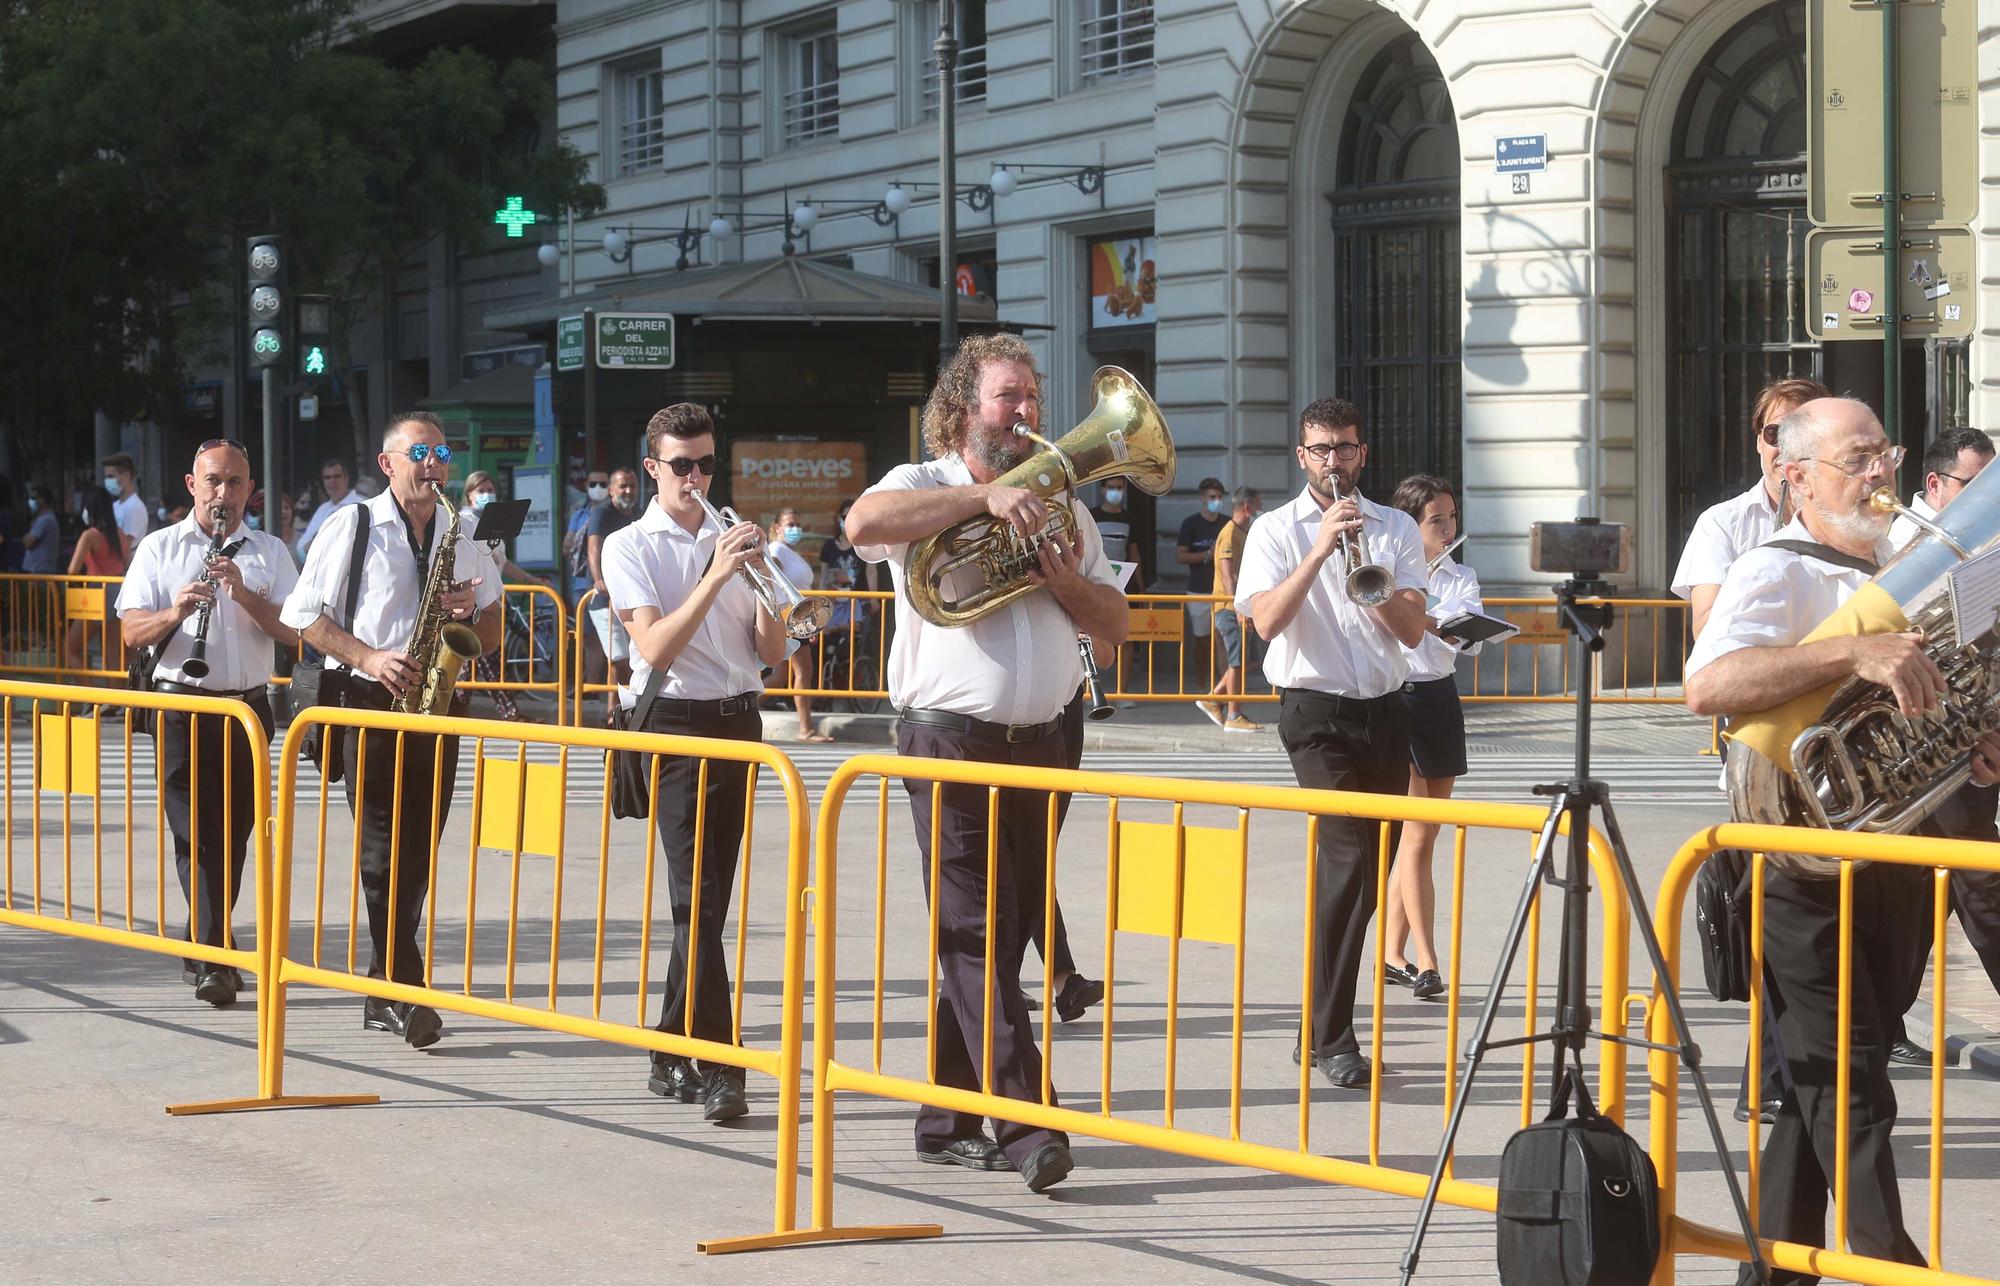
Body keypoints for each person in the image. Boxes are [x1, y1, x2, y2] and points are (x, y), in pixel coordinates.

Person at [1684, 397, 2000, 1283]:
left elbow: (1933, 706)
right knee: (1849, 1076)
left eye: (1883, 455)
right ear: (1795, 475)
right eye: (1856, 457)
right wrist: (1848, 655)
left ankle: (1773, 1270)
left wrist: (1966, 745)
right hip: (1795, 858)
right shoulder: (1771, 570)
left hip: (1892, 846)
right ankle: (1890, 1258)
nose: (1878, 474)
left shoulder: (1909, 561)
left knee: (1823, 1077)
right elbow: (1709, 686)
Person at [846, 332, 1127, 1191]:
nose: (1028, 413)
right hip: (950, 738)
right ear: (964, 407)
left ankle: (945, 1116)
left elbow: (1110, 632)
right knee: (972, 930)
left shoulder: (1061, 501)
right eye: (1010, 398)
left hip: (1044, 740)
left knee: (1000, 937)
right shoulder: (922, 482)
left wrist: (1061, 578)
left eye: (1033, 398)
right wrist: (985, 499)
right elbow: (861, 525)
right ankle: (1027, 1120)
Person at [279, 412, 501, 1050]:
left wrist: (469, 613)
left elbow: (489, 629)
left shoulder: (463, 529)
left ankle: (383, 988)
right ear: (387, 463)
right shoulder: (349, 524)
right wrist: (368, 657)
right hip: (370, 700)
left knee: (418, 847)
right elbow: (303, 618)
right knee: (382, 849)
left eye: (441, 454)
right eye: (419, 453)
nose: (432, 465)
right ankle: (406, 988)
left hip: (439, 702)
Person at [1236, 397, 1428, 1089]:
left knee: (1365, 875)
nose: (1334, 462)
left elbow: (1411, 630)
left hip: (1385, 710)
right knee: (1347, 857)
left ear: (1362, 454)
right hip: (1314, 712)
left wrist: (1369, 575)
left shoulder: (1397, 526)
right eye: (1321, 449)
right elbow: (1264, 621)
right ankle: (1335, 1038)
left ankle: (1315, 1030)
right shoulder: (1273, 531)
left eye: (1345, 448)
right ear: (1301, 456)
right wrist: (1321, 548)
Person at [605, 404, 786, 1123]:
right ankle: (722, 1063)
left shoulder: (731, 537)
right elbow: (652, 649)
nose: (696, 477)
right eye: (682, 465)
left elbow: (772, 652)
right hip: (676, 727)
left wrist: (767, 581)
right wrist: (715, 574)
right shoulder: (629, 546)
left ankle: (667, 1046)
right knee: (699, 898)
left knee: (709, 899)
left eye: (707, 463)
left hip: (738, 720)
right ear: (653, 468)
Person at [115, 440, 299, 1008]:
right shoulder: (159, 547)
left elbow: (295, 631)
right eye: (214, 481)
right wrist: (177, 610)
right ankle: (216, 956)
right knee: (194, 832)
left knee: (235, 833)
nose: (225, 493)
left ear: (250, 489)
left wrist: (242, 593)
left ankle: (206, 943)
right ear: (191, 484)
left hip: (246, 707)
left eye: (237, 482)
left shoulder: (269, 551)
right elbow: (130, 631)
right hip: (183, 705)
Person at [1886, 429, 2000, 1006]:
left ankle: (1881, 1025)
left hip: (1961, 744)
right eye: (1972, 485)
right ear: (1934, 484)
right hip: (1915, 747)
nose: (1986, 501)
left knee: (1920, 905)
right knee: (1981, 885)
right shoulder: (1903, 546)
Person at [1381, 474, 1482, 1001]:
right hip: (1400, 698)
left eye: (1451, 517)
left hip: (1439, 699)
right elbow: (1390, 627)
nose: (1447, 528)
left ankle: (1391, 953)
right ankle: (1426, 959)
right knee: (1414, 838)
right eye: (1435, 520)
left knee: (1423, 837)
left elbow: (1466, 640)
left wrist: (1437, 617)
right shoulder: (1390, 571)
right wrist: (1419, 609)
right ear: (1410, 525)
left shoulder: (1459, 574)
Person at [1672, 377, 1832, 640]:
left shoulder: (1846, 521)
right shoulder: (1720, 523)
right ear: (1759, 441)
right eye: (1775, 434)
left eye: (1803, 435)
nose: (1788, 448)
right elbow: (1705, 629)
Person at [765, 507, 832, 742]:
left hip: (799, 620)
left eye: (797, 524)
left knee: (782, 676)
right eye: (790, 524)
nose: (795, 529)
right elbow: (774, 580)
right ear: (777, 527)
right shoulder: (776, 550)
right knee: (804, 671)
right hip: (789, 620)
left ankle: (746, 703)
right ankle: (805, 729)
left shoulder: (790, 552)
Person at [1199, 486, 1261, 731]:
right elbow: (1227, 574)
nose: (1260, 510)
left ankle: (1214, 698)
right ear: (1247, 507)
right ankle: (1234, 715)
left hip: (1239, 607)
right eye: (1258, 505)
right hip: (1229, 607)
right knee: (1236, 662)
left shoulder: (1241, 532)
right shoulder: (1229, 534)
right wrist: (1239, 606)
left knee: (1250, 661)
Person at [586, 468, 640, 719]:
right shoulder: (601, 512)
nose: (628, 491)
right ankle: (620, 710)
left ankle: (613, 709)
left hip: (632, 597)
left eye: (631, 485)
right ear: (611, 490)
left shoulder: (639, 516)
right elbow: (593, 546)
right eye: (622, 486)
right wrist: (599, 578)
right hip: (603, 599)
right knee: (619, 657)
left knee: (625, 656)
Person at [63, 486, 130, 683]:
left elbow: (72, 570)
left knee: (70, 649)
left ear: (89, 509)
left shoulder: (90, 535)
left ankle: (90, 697)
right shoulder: (120, 534)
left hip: (94, 594)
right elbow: (127, 564)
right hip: (118, 592)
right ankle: (114, 703)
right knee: (112, 654)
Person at [1088, 479, 1143, 700]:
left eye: (1120, 488)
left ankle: (1123, 690)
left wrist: (1141, 586)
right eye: (1111, 487)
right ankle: (1087, 689)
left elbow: (1134, 552)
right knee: (1089, 635)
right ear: (1102, 490)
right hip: (1094, 582)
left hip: (1123, 583)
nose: (1116, 492)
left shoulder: (1130, 519)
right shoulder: (1092, 516)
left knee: (1126, 636)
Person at [1177, 476, 1229, 706]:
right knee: (1201, 640)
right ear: (1202, 498)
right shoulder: (1190, 523)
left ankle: (1223, 690)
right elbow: (1181, 556)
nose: (1216, 501)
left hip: (1222, 592)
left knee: (1221, 640)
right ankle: (1201, 681)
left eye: (1218, 497)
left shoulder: (1227, 524)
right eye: (1211, 497)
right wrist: (1207, 556)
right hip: (1198, 591)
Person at [294, 458, 364, 560]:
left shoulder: (362, 505)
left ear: (346, 478)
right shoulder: (323, 509)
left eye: (337, 477)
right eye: (327, 478)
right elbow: (301, 549)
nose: (332, 481)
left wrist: (317, 542)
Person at [102, 452, 148, 549]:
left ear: (126, 476)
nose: (107, 481)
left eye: (111, 476)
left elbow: (126, 544)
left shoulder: (134, 507)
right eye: (106, 477)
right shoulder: (115, 505)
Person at [21, 485, 61, 573]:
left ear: (42, 500)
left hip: (40, 570)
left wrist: (25, 537)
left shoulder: (45, 519)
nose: (31, 501)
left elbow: (28, 542)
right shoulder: (42, 518)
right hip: (38, 569)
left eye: (33, 498)